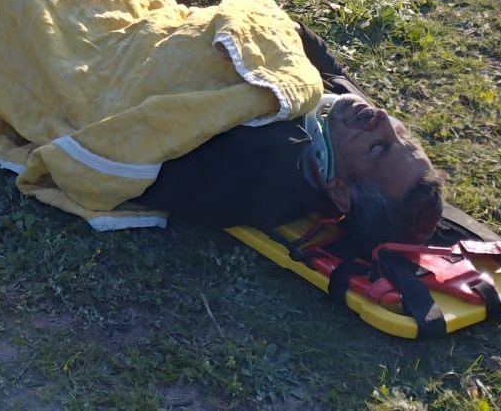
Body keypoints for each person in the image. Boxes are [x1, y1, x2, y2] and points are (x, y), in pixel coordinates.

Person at [137, 19, 446, 250]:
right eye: (405, 136)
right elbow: (306, 41)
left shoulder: (252, 179)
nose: (383, 120)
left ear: (340, 191)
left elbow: (141, 154)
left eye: (377, 148)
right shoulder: (350, 121)